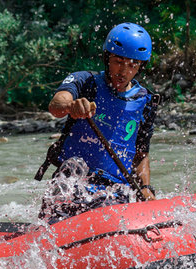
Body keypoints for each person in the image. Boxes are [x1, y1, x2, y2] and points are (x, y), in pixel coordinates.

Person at [35, 22, 158, 222]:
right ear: (107, 58)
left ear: (140, 67)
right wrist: (72, 105)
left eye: (132, 65)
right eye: (118, 61)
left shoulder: (146, 102)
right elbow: (56, 105)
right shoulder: (85, 81)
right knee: (68, 178)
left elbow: (141, 154)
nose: (123, 71)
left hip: (114, 191)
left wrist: (145, 188)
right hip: (72, 180)